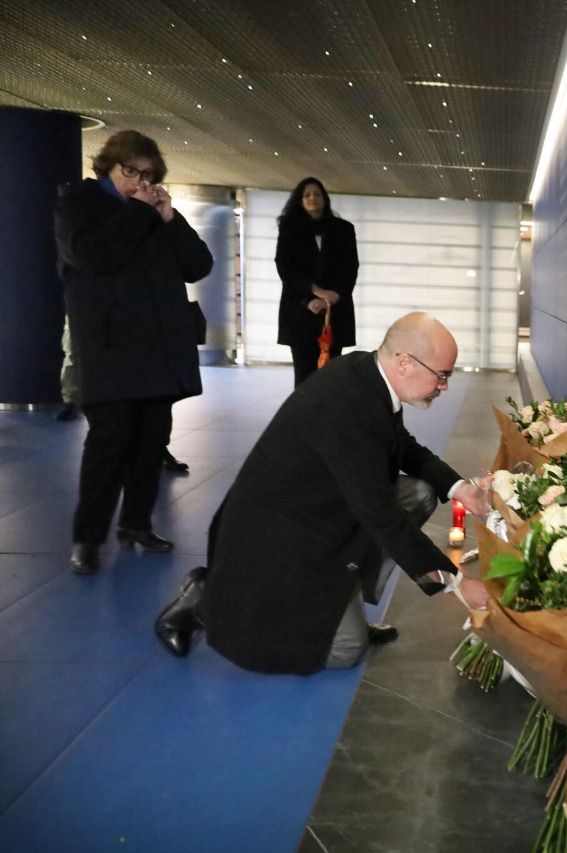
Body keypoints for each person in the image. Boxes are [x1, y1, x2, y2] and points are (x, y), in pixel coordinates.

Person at [154, 312, 491, 674]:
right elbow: (380, 514)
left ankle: (337, 604)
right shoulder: (347, 408)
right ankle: (206, 603)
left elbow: (401, 446)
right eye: (442, 375)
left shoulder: (368, 372)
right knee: (347, 648)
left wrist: (461, 490)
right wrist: (455, 583)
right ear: (405, 363)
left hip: (324, 508)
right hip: (282, 537)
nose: (444, 386)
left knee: (420, 494)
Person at [54, 130, 212, 574]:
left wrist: (169, 218)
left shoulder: (154, 214)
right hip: (110, 351)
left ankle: (137, 524)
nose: (140, 181)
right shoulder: (79, 205)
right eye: (131, 172)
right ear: (109, 166)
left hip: (158, 350)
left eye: (148, 174)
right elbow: (92, 256)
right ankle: (87, 538)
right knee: (109, 444)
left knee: (151, 442)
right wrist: (139, 212)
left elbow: (198, 264)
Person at [275, 177, 358, 387]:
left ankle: (330, 419)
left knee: (332, 375)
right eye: (307, 195)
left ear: (325, 198)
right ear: (300, 200)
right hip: (301, 311)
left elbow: (350, 267)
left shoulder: (344, 229)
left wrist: (334, 295)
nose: (313, 198)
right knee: (304, 376)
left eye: (317, 194)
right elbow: (286, 269)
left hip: (334, 311)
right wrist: (313, 294)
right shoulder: (289, 230)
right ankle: (304, 419)